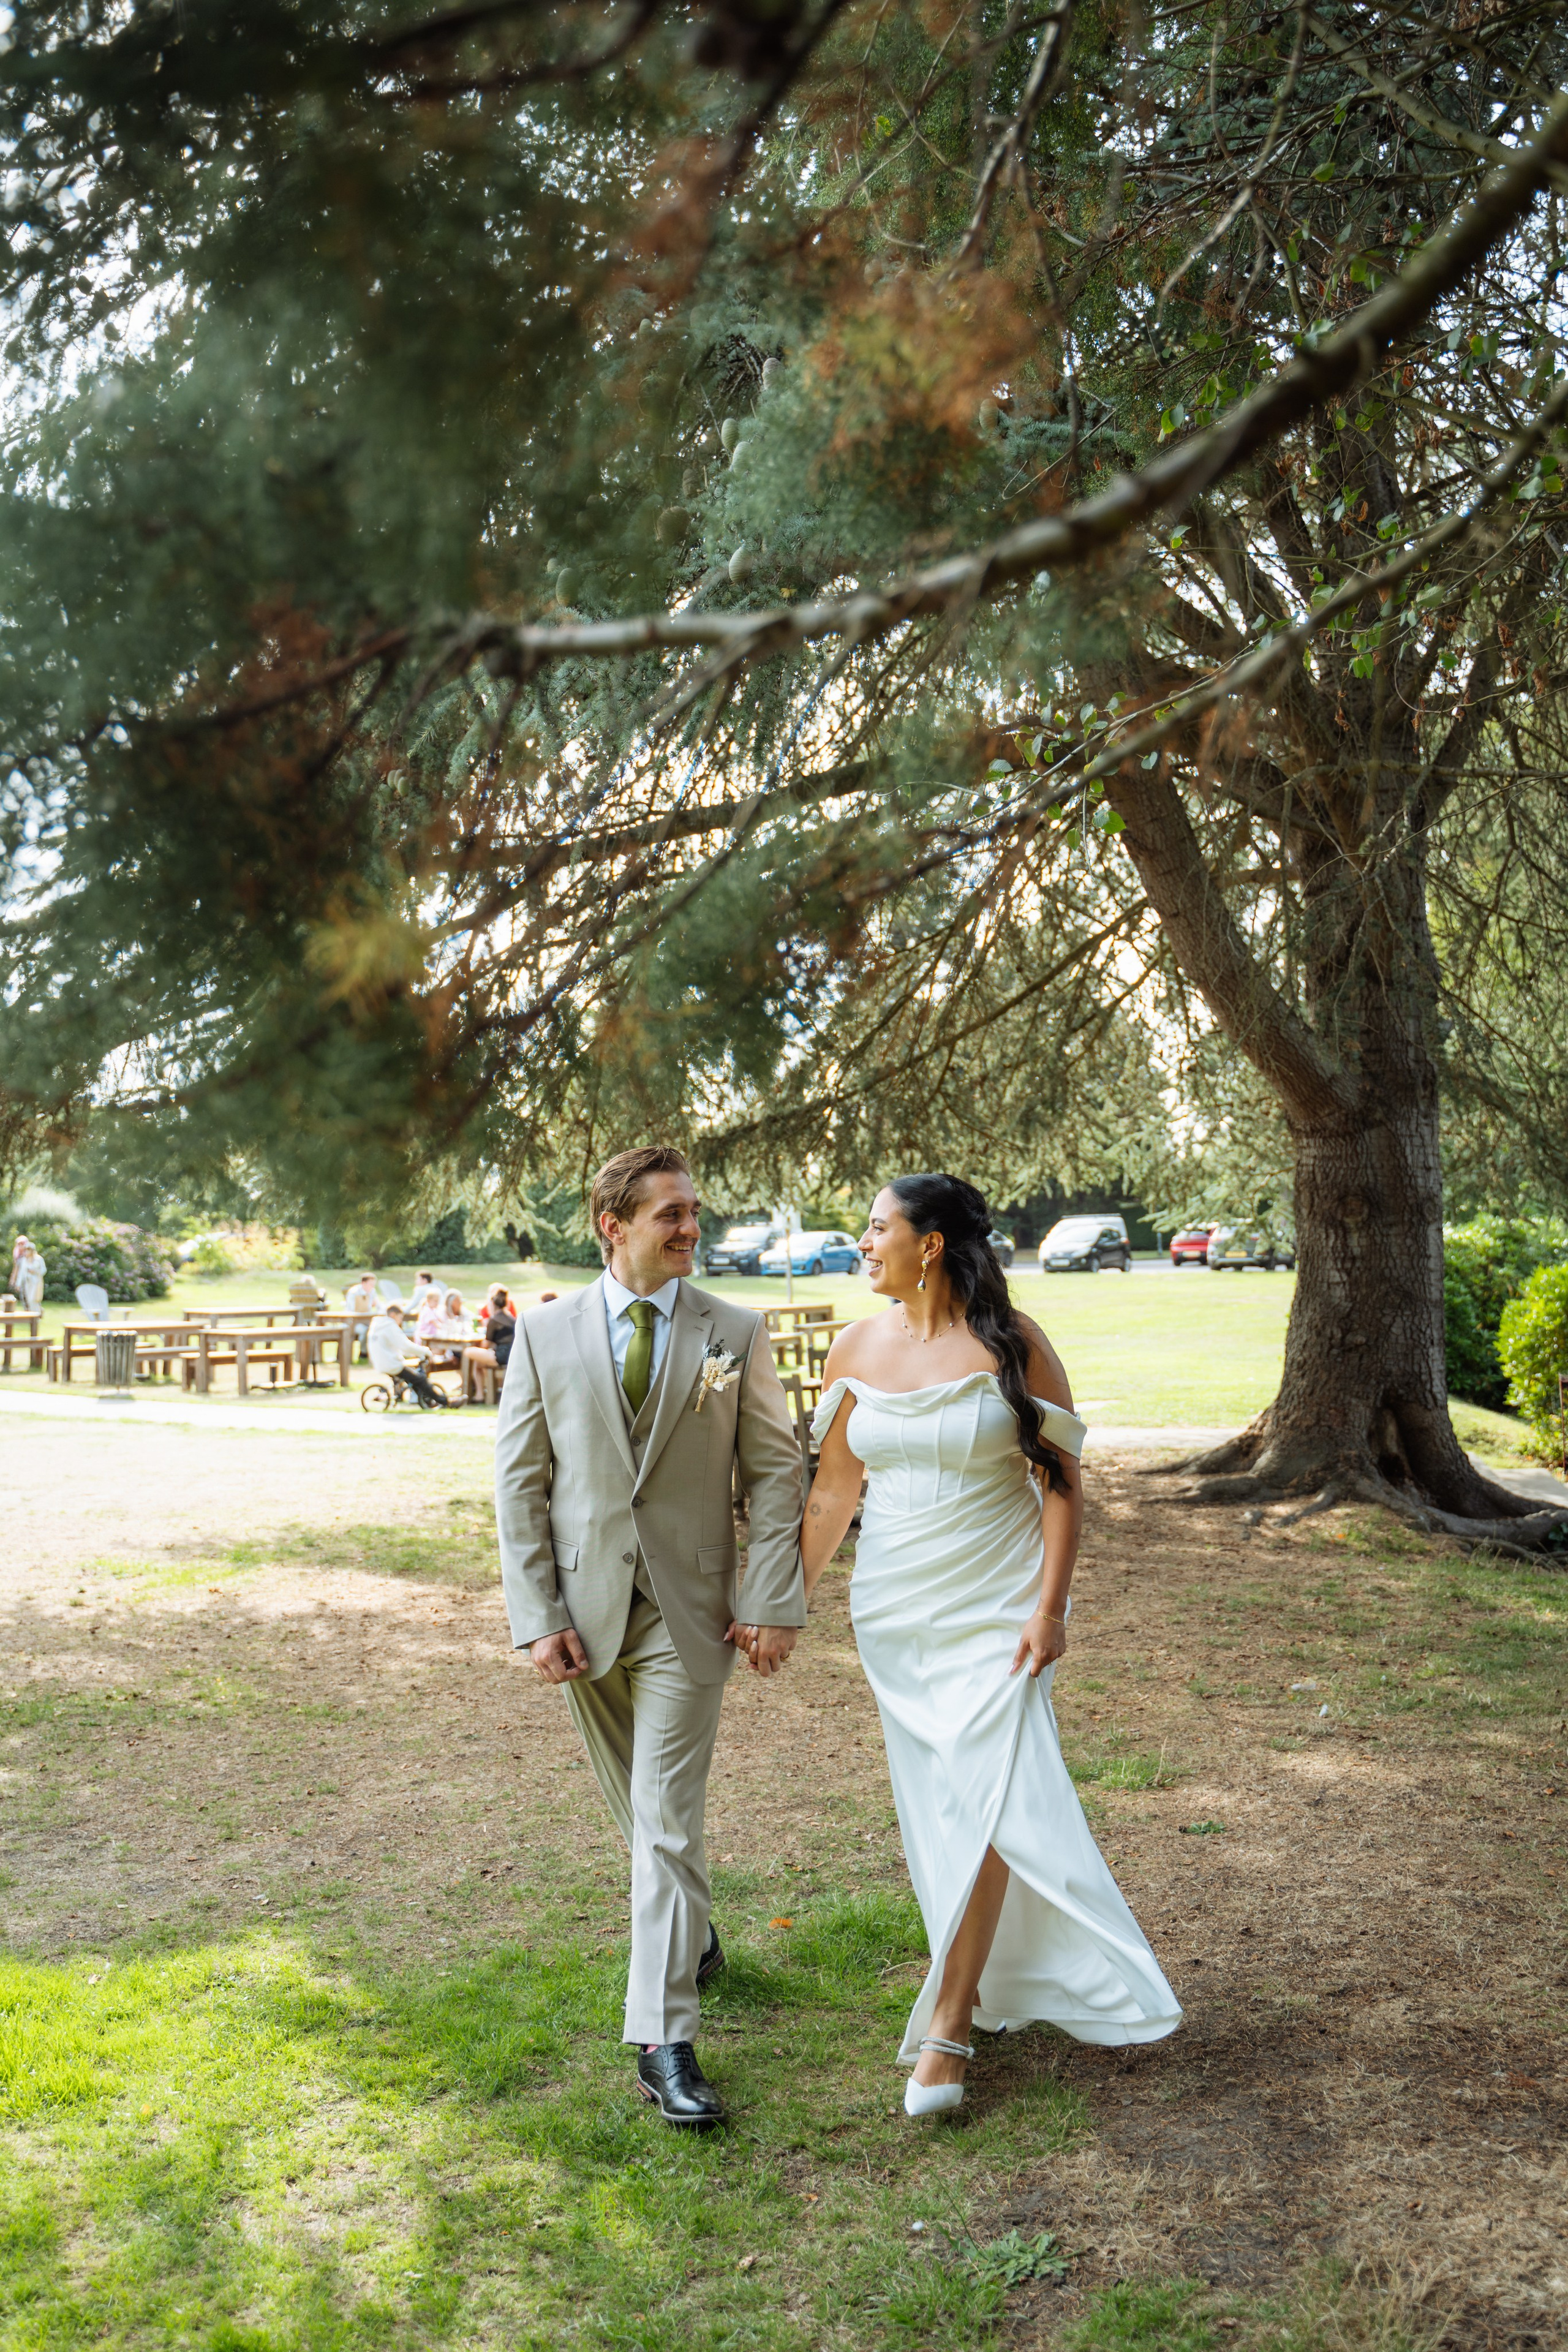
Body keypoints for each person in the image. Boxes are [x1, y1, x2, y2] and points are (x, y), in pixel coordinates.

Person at [790, 1172, 1181, 2117]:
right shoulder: (854, 1347)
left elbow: (1061, 1484)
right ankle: (987, 1980)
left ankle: (951, 2022)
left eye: (876, 1228)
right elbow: (834, 1491)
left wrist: (1051, 1610)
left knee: (995, 1793)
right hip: (894, 1611)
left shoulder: (1016, 1344)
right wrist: (785, 1599)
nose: (863, 1243)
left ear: (929, 1244)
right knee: (940, 1804)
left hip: (999, 1610)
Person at [494, 1145, 805, 2127]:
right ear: (613, 1225)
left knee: (665, 1816)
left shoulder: (733, 1332)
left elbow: (776, 1473)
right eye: (671, 1213)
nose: (691, 1228)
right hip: (582, 1616)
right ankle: (694, 1934)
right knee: (644, 1820)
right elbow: (520, 1481)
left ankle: (662, 2040)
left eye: (694, 1211)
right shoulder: (543, 1333)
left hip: (693, 1611)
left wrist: (771, 1596)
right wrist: (537, 1616)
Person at [366, 1300, 450, 1409]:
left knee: (412, 1378)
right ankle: (444, 1402)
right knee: (420, 1379)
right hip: (392, 1365)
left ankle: (422, 1399)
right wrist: (426, 1351)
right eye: (400, 1318)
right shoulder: (389, 1326)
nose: (401, 1321)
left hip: (381, 1362)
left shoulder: (377, 1324)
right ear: (393, 1315)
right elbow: (406, 1346)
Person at [464, 1283, 513, 1399]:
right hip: (512, 1353)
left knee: (469, 1352)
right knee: (478, 1363)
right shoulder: (510, 1317)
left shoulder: (495, 1319)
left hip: (503, 1355)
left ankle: (477, 1393)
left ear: (492, 1305)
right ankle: (482, 1393)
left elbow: (486, 1344)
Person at [343, 1272, 379, 1359]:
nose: (372, 1287)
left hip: (367, 1321)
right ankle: (363, 1353)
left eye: (373, 1285)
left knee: (377, 1328)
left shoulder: (372, 1292)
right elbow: (352, 1309)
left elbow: (378, 1305)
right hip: (353, 1322)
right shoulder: (354, 1292)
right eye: (371, 1285)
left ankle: (375, 1354)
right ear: (364, 1283)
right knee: (365, 1331)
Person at [12, 1237, 45, 1315]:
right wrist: (18, 1284)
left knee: (34, 1300)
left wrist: (36, 1272)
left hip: (36, 1283)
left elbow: (44, 1270)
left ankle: (37, 1315)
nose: (26, 1252)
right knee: (29, 1300)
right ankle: (33, 1315)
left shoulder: (39, 1259)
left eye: (28, 1250)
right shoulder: (24, 1260)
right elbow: (21, 1274)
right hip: (28, 1283)